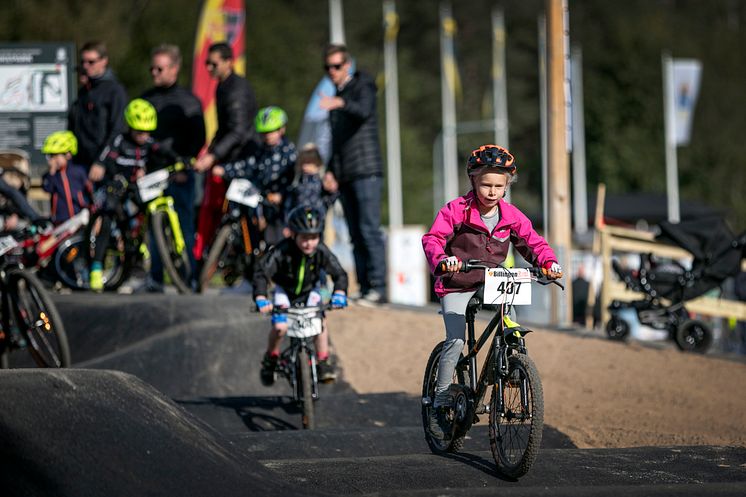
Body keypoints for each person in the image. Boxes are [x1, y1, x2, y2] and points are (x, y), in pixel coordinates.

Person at [421, 144, 563, 439]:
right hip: (456, 283)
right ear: (473, 180)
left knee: (509, 320)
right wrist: (443, 260)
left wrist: (548, 262)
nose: (492, 191)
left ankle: (511, 365)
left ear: (507, 186)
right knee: (455, 340)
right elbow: (433, 238)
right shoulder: (455, 210)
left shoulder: (511, 215)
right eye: (486, 184)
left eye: (499, 185)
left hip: (492, 281)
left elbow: (532, 242)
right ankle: (441, 399)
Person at [318, 43, 386, 306]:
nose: (332, 72)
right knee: (354, 233)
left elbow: (364, 111)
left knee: (369, 230)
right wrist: (332, 171)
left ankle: (378, 287)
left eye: (336, 66)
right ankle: (365, 286)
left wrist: (340, 102)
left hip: (366, 170)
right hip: (345, 173)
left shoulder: (362, 84)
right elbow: (335, 141)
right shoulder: (337, 96)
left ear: (347, 64)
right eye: (327, 68)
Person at [88, 98, 178, 292]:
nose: (144, 136)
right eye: (139, 131)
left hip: (136, 189)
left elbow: (164, 151)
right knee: (107, 214)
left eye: (147, 131)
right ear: (130, 127)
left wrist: (181, 162)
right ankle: (97, 266)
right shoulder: (118, 140)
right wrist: (106, 169)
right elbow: (104, 160)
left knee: (145, 213)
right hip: (116, 187)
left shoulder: (149, 143)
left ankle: (139, 259)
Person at [253, 206, 348, 384]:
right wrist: (260, 297)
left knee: (320, 322)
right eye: (304, 237)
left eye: (314, 237)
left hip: (310, 291)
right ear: (293, 234)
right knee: (280, 328)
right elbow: (261, 273)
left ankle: (323, 360)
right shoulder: (281, 250)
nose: (309, 243)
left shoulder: (321, 250)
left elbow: (339, 274)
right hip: (284, 292)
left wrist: (339, 293)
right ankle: (271, 358)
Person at [141, 44, 206, 290]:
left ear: (174, 69)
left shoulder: (189, 102)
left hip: (179, 172)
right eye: (152, 68)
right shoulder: (145, 99)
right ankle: (155, 278)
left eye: (160, 68)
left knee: (184, 225)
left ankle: (189, 275)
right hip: (152, 173)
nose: (155, 73)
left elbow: (198, 138)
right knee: (154, 228)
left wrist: (183, 165)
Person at [193, 42, 259, 264]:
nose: (209, 68)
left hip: (243, 158)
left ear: (229, 62)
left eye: (214, 63)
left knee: (245, 216)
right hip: (230, 155)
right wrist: (210, 149)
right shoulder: (223, 86)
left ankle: (252, 263)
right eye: (206, 63)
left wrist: (213, 156)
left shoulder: (236, 89)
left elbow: (238, 131)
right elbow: (225, 128)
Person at [67, 41, 128, 172]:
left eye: (91, 62)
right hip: (80, 163)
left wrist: (101, 161)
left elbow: (118, 130)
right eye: (83, 62)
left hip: (103, 166)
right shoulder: (84, 91)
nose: (85, 66)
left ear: (104, 61)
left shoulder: (115, 91)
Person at [41, 131, 93, 224]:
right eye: (50, 156)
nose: (53, 159)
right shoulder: (51, 175)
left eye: (56, 155)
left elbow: (90, 190)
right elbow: (47, 189)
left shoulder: (79, 171)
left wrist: (91, 210)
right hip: (60, 220)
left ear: (68, 154)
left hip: (80, 217)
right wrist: (51, 172)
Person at [283, 143, 338, 224]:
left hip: (316, 220)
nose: (305, 167)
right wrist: (287, 222)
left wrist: (332, 191)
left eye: (309, 163)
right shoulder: (297, 183)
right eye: (303, 163)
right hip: (299, 221)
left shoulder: (321, 183)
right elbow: (289, 204)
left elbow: (330, 200)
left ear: (317, 165)